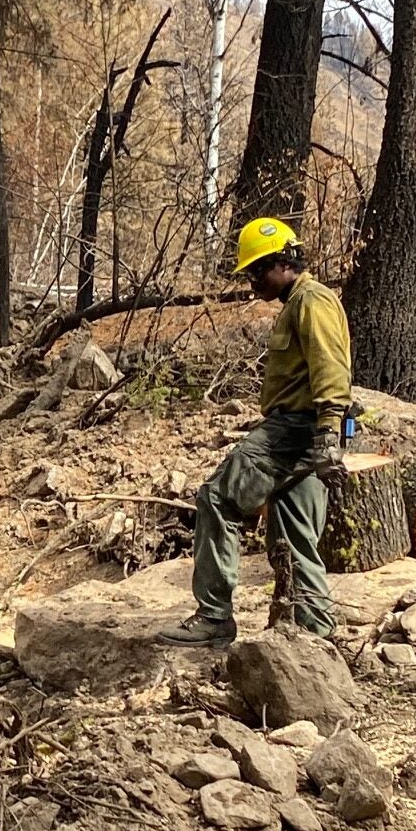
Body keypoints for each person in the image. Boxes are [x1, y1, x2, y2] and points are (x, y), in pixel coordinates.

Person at [161, 217, 352, 648]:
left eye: (257, 271)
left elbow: (330, 369)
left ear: (284, 261)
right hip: (304, 431)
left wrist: (327, 435)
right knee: (294, 533)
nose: (252, 283)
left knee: (217, 498)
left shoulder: (312, 303)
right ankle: (315, 637)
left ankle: (214, 618)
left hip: (295, 431)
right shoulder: (300, 302)